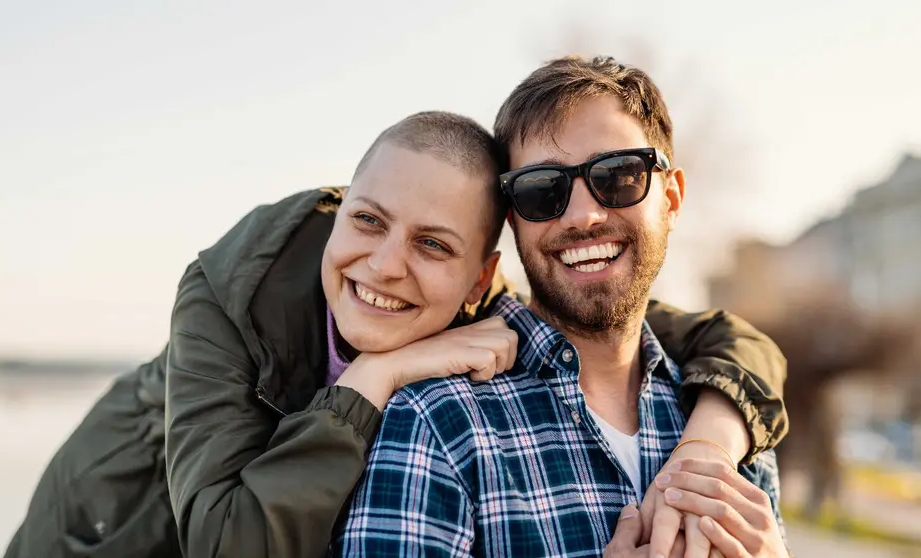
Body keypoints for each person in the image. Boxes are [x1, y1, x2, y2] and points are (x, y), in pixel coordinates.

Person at [4, 112, 787, 558]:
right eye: (368, 221)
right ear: (341, 205)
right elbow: (227, 543)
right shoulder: (231, 290)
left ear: (482, 279)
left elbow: (726, 339)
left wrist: (705, 447)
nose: (384, 266)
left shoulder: (493, 310)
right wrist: (374, 379)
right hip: (113, 522)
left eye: (433, 245)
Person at [332, 57, 791, 558]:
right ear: (514, 221)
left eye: (617, 176)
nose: (584, 215)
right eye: (542, 189)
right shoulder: (436, 424)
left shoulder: (731, 429)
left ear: (672, 199)